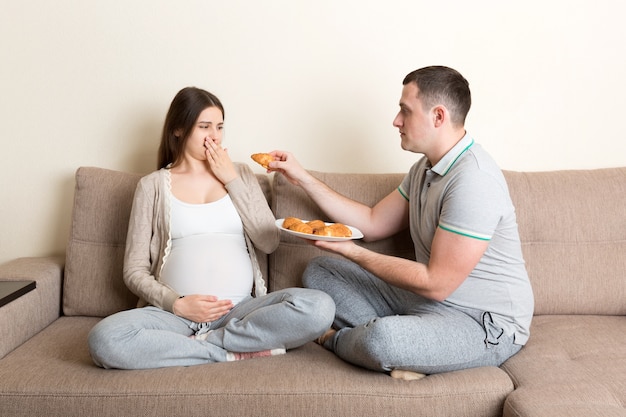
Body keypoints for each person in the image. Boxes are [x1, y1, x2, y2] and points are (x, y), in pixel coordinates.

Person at [268, 66, 534, 379]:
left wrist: (352, 252)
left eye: (405, 111)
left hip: (484, 322)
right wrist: (302, 178)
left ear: (438, 116)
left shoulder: (474, 180)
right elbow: (372, 223)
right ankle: (412, 346)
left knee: (383, 340)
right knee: (320, 270)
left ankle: (346, 340)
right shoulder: (425, 168)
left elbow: (437, 283)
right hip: (429, 303)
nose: (396, 121)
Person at [88, 87, 335, 369]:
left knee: (319, 307)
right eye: (204, 126)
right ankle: (227, 351)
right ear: (179, 129)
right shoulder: (152, 186)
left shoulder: (240, 173)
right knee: (104, 339)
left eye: (219, 126)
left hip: (240, 312)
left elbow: (269, 242)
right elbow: (133, 270)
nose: (215, 135)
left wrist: (231, 180)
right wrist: (175, 303)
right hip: (174, 317)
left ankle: (207, 344)